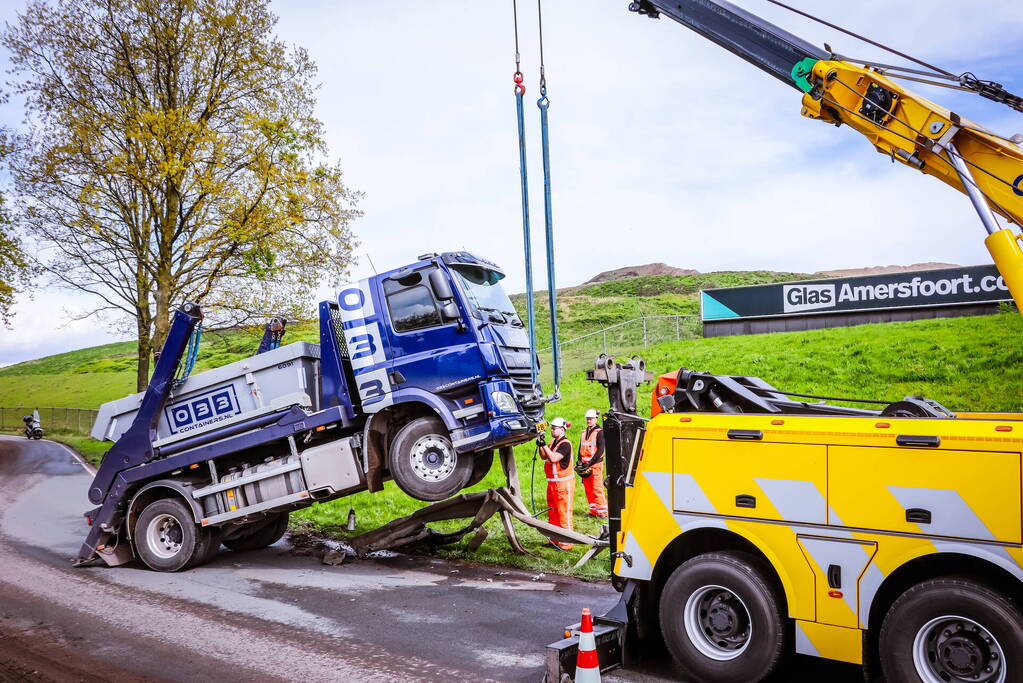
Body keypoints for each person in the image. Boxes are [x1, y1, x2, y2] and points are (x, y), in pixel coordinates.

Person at [537, 417, 574, 550]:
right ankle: (554, 540)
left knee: (564, 514)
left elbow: (553, 458)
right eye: (551, 427)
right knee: (553, 514)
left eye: (554, 428)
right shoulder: (553, 442)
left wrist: (544, 445)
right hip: (552, 484)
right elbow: (544, 456)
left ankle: (567, 543)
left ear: (562, 429)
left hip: (563, 485)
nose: (551, 430)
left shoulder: (565, 444)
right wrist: (541, 445)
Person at [577, 408, 607, 519]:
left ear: (596, 419)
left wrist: (590, 462)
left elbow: (601, 450)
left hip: (595, 464)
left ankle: (603, 512)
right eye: (588, 419)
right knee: (588, 488)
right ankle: (593, 510)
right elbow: (580, 447)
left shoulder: (600, 432)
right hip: (585, 465)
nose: (589, 421)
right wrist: (579, 460)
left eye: (591, 419)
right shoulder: (584, 432)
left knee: (597, 487)